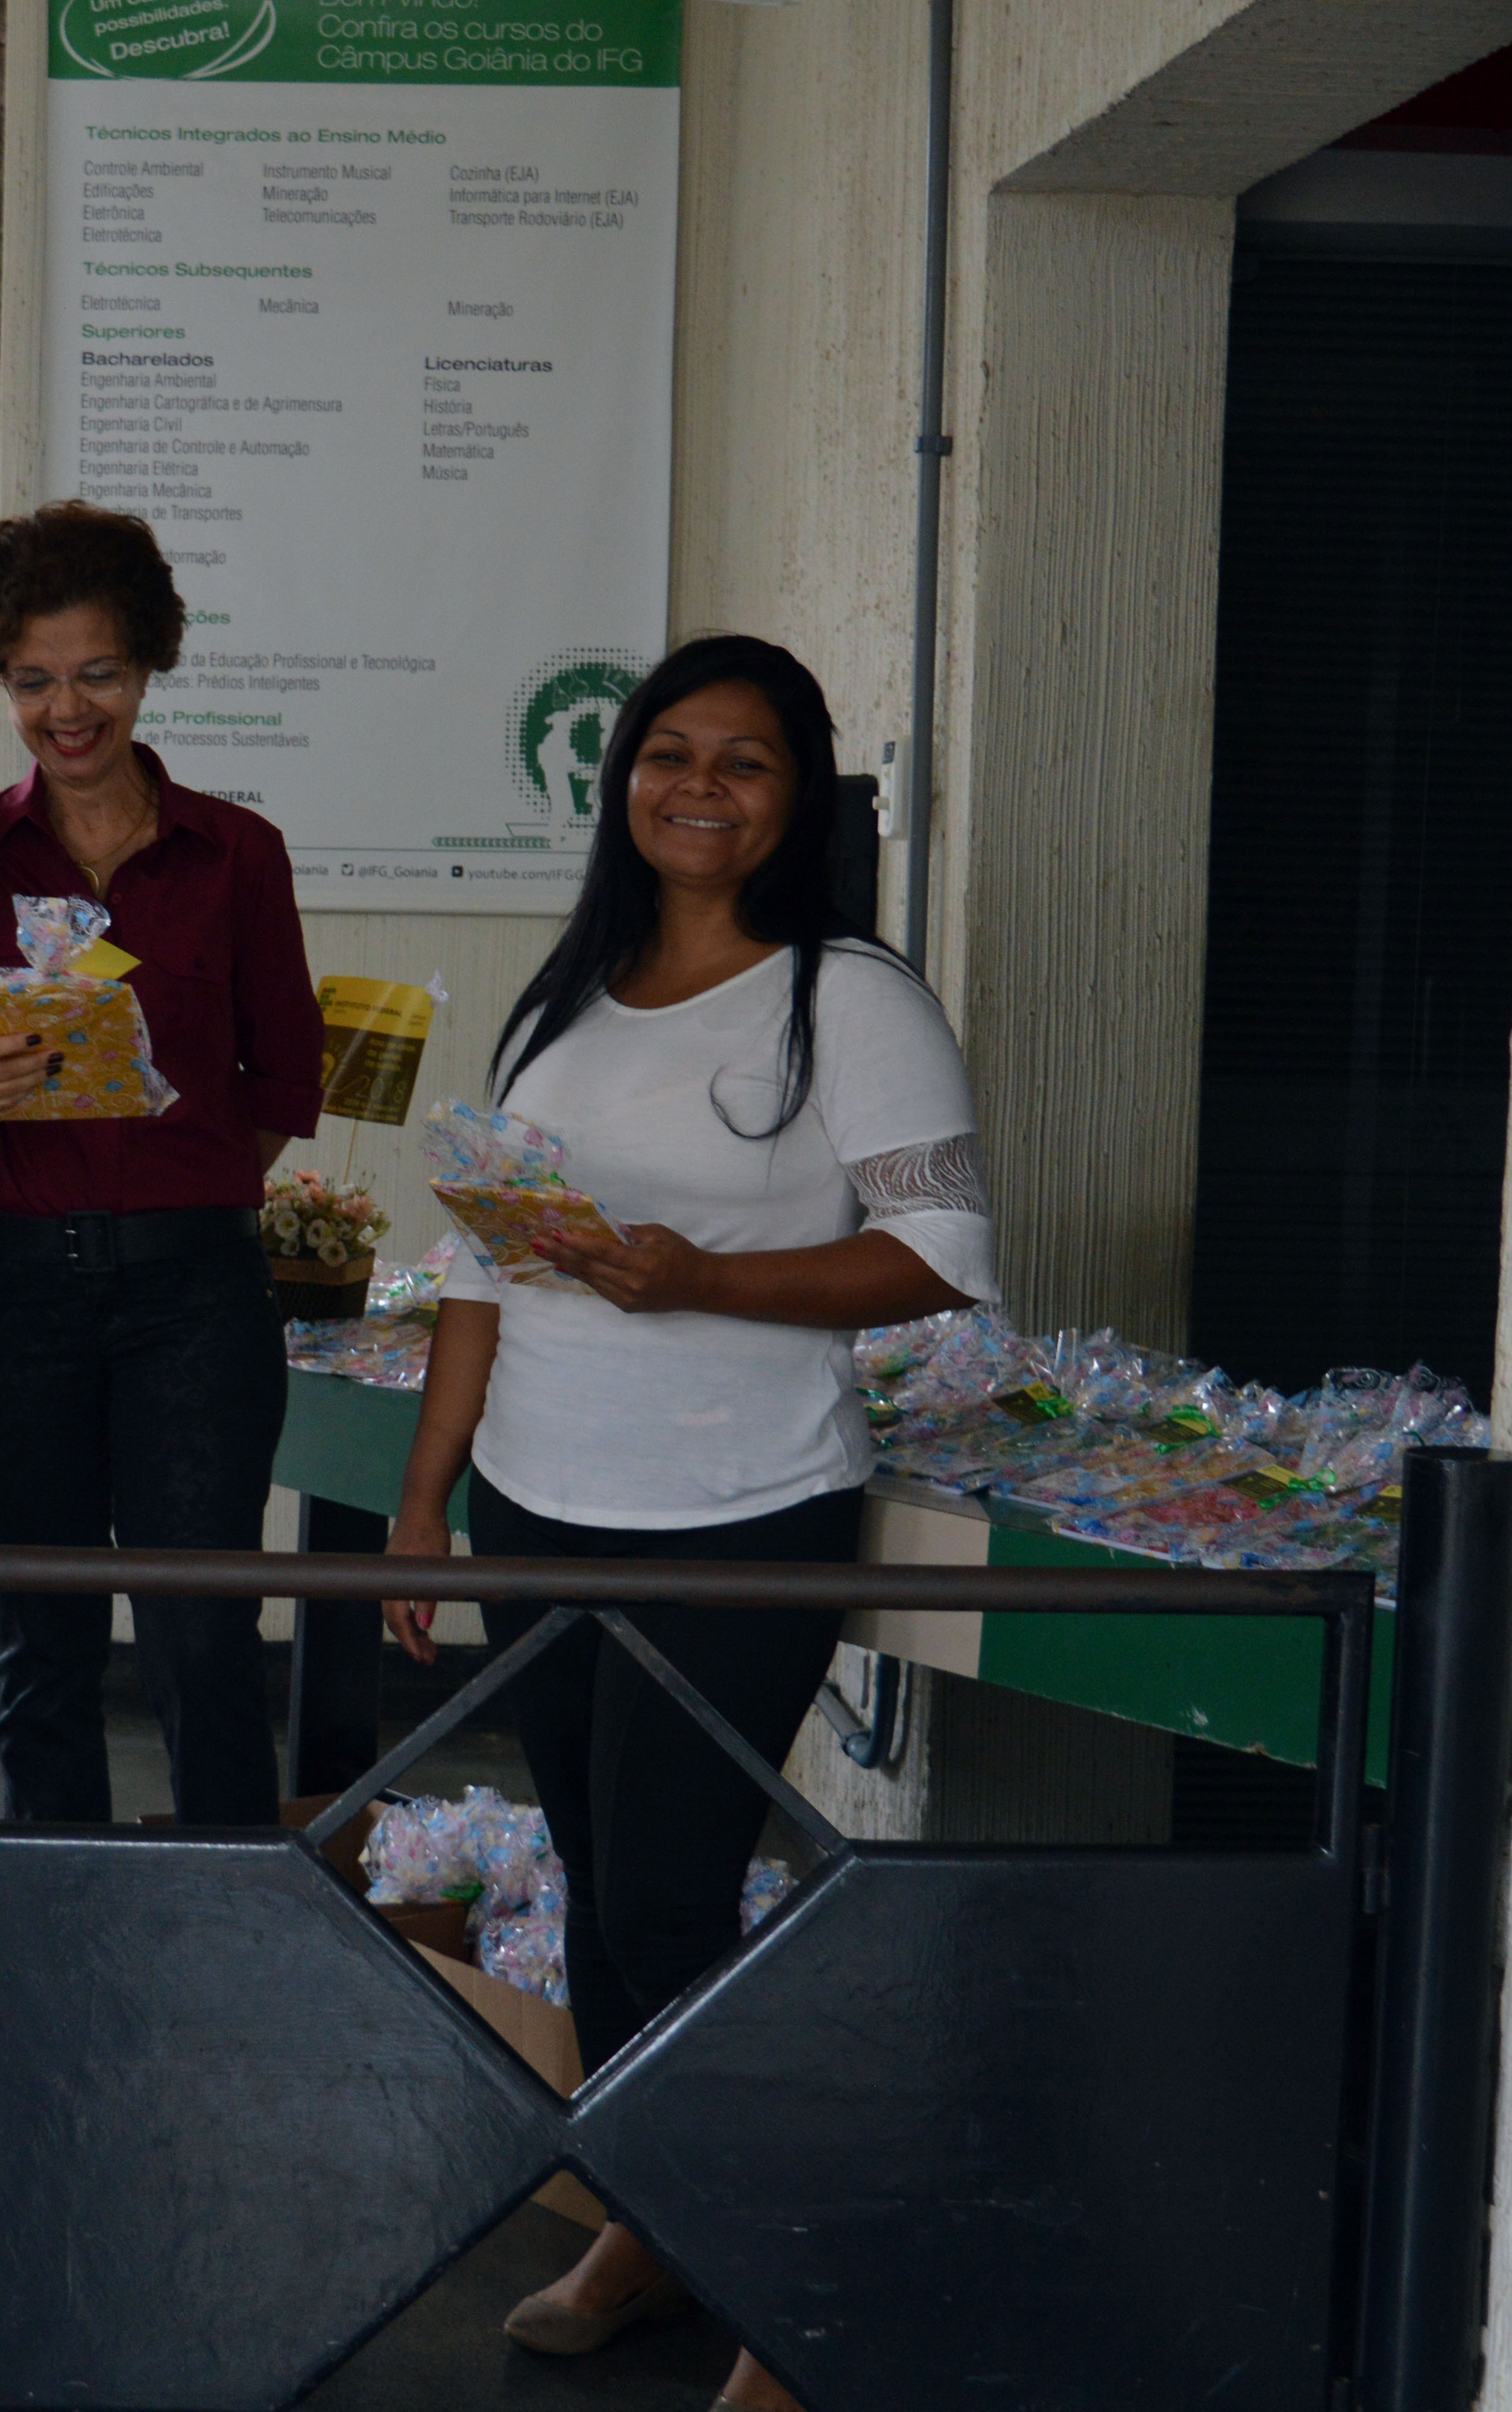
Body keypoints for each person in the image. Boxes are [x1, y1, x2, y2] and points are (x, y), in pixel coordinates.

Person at [377, 635, 997, 2411]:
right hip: (536, 1504)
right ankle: (652, 2221)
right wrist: (426, 1498)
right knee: (597, 1899)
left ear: (795, 797)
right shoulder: (565, 996)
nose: (698, 786)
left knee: (668, 1900)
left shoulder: (845, 997)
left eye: (744, 760)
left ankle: (784, 2298)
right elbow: (486, 1257)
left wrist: (702, 1279)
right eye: (667, 752)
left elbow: (942, 1259)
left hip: (737, 1515)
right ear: (622, 777)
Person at [0, 502, 323, 1828]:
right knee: (40, 1648)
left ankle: (226, 1933)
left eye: (95, 672)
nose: (67, 709)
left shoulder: (239, 854)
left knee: (201, 1639)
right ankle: (64, 1945)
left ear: (149, 661)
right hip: (5, 1298)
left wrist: (173, 1180)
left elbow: (278, 1086)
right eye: (34, 679)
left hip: (192, 1304)